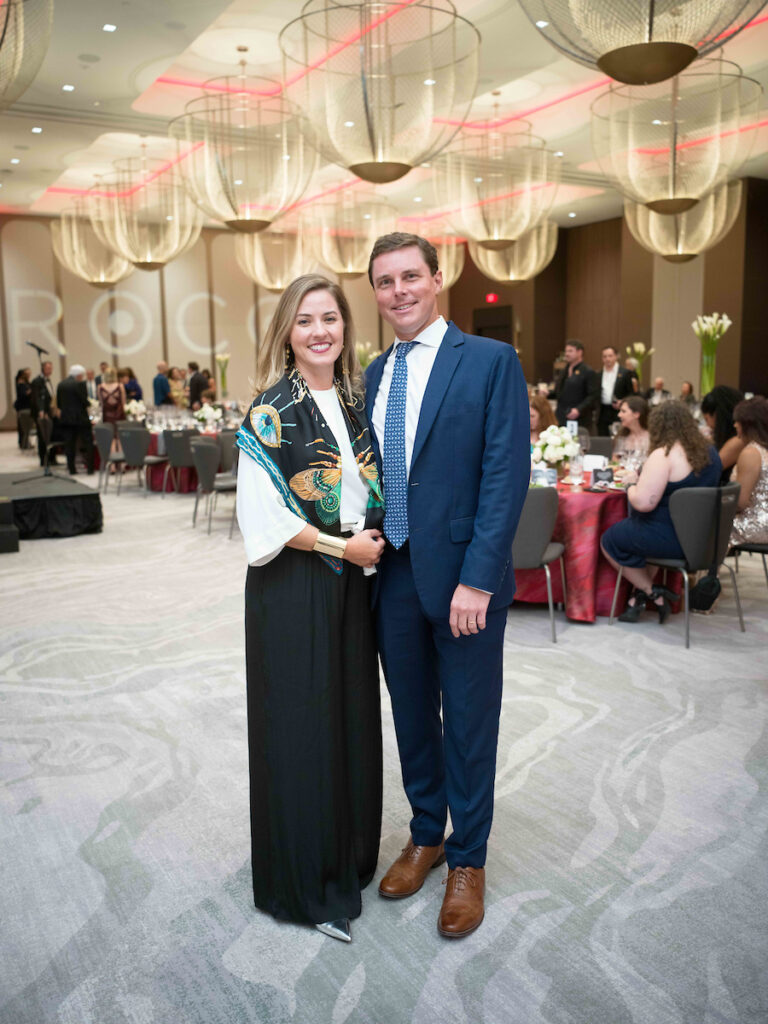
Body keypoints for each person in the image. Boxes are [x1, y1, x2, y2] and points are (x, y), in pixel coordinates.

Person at [364, 232, 529, 939]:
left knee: (467, 723)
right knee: (411, 718)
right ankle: (427, 833)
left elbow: (505, 476)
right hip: (392, 571)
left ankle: (469, 859)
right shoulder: (373, 372)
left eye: (410, 276)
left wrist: (479, 581)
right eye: (383, 281)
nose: (398, 291)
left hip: (464, 580)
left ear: (437, 279)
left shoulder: (490, 361)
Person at [235, 274, 385, 944]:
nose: (320, 330)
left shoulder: (354, 402)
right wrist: (341, 547)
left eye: (330, 317)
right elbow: (260, 523)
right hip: (294, 585)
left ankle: (344, 861)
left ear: (345, 327)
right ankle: (304, 887)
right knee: (303, 730)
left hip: (353, 580)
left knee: (348, 719)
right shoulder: (270, 411)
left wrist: (366, 548)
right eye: (305, 320)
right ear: (286, 332)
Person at [601, 400, 722, 623]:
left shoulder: (664, 454)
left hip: (671, 539)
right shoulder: (711, 453)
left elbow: (643, 503)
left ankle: (651, 590)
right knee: (639, 530)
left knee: (610, 539)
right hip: (703, 540)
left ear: (657, 426)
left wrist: (630, 487)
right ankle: (639, 598)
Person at [730, 397, 768, 546]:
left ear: (747, 424)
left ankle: (700, 569)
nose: (734, 425)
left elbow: (740, 502)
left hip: (757, 525)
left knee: (704, 526)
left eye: (737, 421)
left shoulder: (751, 452)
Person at [56, 364, 95, 475]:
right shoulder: (80, 384)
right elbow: (85, 401)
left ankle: (72, 469)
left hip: (67, 419)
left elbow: (59, 403)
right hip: (81, 418)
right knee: (88, 443)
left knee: (69, 444)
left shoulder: (61, 384)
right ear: (78, 375)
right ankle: (90, 468)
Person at [700, 385, 744, 483]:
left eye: (707, 419)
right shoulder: (733, 438)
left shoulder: (738, 440)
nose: (707, 425)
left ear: (717, 415)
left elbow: (710, 470)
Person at [551, 339, 599, 429]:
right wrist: (547, 394)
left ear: (579, 352)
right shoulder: (564, 370)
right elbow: (559, 392)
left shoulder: (588, 371)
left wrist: (579, 409)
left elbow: (593, 396)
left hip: (579, 418)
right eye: (566, 351)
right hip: (561, 416)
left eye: (570, 351)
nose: (567, 354)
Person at [597, 346, 634, 436]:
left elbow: (632, 393)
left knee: (619, 436)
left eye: (610, 356)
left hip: (619, 410)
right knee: (603, 438)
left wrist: (623, 402)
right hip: (602, 411)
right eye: (604, 356)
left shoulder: (625, 373)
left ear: (616, 356)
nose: (607, 359)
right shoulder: (598, 374)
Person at [30, 360, 60, 467]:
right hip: (42, 414)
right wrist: (41, 411)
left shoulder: (48, 381)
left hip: (49, 413)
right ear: (43, 369)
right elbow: (37, 398)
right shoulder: (37, 381)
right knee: (42, 437)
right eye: (48, 368)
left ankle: (52, 458)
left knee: (51, 435)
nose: (50, 370)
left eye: (51, 368)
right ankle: (44, 460)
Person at [612, 396, 650, 467]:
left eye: (623, 411)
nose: (619, 415)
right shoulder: (622, 436)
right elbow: (615, 461)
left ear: (636, 414)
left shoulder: (652, 437)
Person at [98, 367, 125, 440]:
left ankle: (110, 449)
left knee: (109, 436)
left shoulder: (100, 387)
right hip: (119, 414)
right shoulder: (120, 386)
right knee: (119, 436)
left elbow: (101, 403)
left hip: (107, 414)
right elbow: (123, 402)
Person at [14, 368, 32, 449]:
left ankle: (25, 443)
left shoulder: (25, 383)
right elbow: (23, 395)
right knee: (25, 427)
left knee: (25, 427)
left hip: (25, 406)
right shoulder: (21, 384)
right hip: (23, 407)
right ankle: (24, 443)